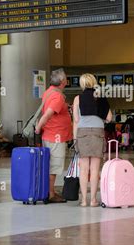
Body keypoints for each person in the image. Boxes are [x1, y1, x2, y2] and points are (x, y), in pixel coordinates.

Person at [73, 74, 112, 207]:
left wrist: (74, 139)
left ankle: (84, 200)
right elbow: (110, 118)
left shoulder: (77, 99)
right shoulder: (100, 97)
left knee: (83, 169)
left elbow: (76, 121)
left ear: (82, 84)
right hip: (97, 133)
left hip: (82, 133)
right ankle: (93, 200)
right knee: (95, 169)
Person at [35, 69, 72, 204]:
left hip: (50, 134)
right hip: (56, 135)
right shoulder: (58, 96)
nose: (67, 80)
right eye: (66, 78)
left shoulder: (48, 92)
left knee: (50, 165)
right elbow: (48, 114)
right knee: (54, 165)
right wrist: (38, 129)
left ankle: (50, 191)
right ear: (62, 81)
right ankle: (50, 194)